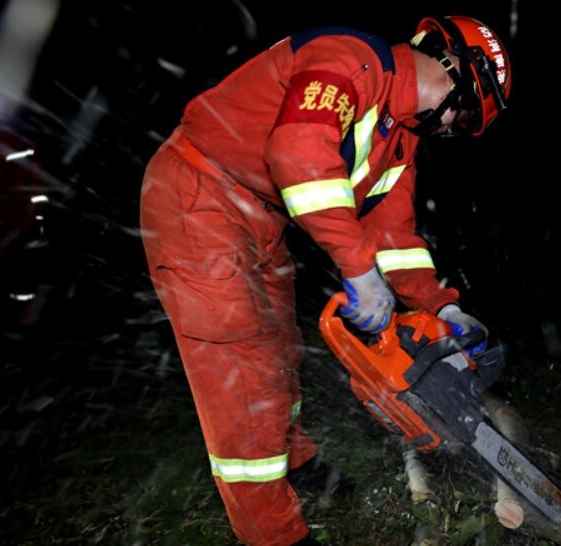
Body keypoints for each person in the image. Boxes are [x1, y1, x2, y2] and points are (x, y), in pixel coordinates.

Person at [139, 15, 512, 546]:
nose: (454, 130)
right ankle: (274, 534)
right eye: (466, 115)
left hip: (262, 218)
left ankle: (296, 463)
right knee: (243, 373)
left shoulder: (400, 144)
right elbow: (297, 154)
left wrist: (442, 309)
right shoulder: (349, 59)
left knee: (279, 354)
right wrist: (358, 269)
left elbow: (395, 239)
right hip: (199, 194)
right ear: (456, 70)